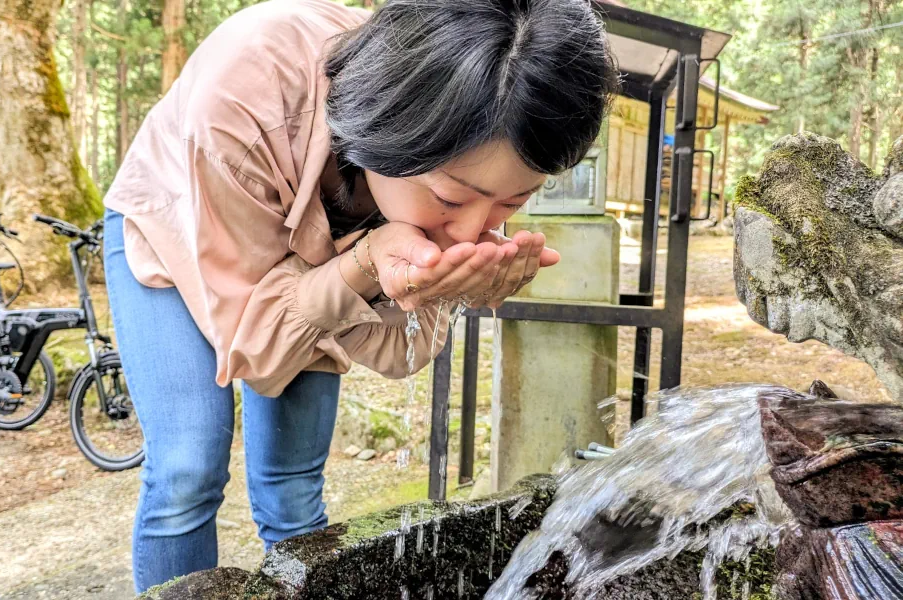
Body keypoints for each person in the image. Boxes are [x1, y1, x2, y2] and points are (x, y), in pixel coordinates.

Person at [102, 0, 617, 591]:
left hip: (315, 255)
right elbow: (258, 354)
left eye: (510, 201)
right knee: (188, 466)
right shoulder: (244, 94)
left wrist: (431, 284)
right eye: (451, 200)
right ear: (390, 137)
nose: (472, 232)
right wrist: (366, 261)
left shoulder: (463, 125)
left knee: (293, 486)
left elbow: (400, 354)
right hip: (176, 224)